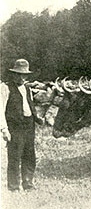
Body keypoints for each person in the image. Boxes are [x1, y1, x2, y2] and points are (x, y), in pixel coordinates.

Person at [0, 59, 43, 191]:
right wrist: (4, 129)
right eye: (18, 74)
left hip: (29, 125)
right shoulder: (5, 88)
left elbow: (29, 105)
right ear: (13, 74)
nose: (21, 77)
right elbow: (0, 109)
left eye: (24, 75)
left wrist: (37, 118)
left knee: (30, 155)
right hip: (15, 127)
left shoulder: (27, 88)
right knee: (14, 156)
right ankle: (13, 187)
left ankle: (28, 183)